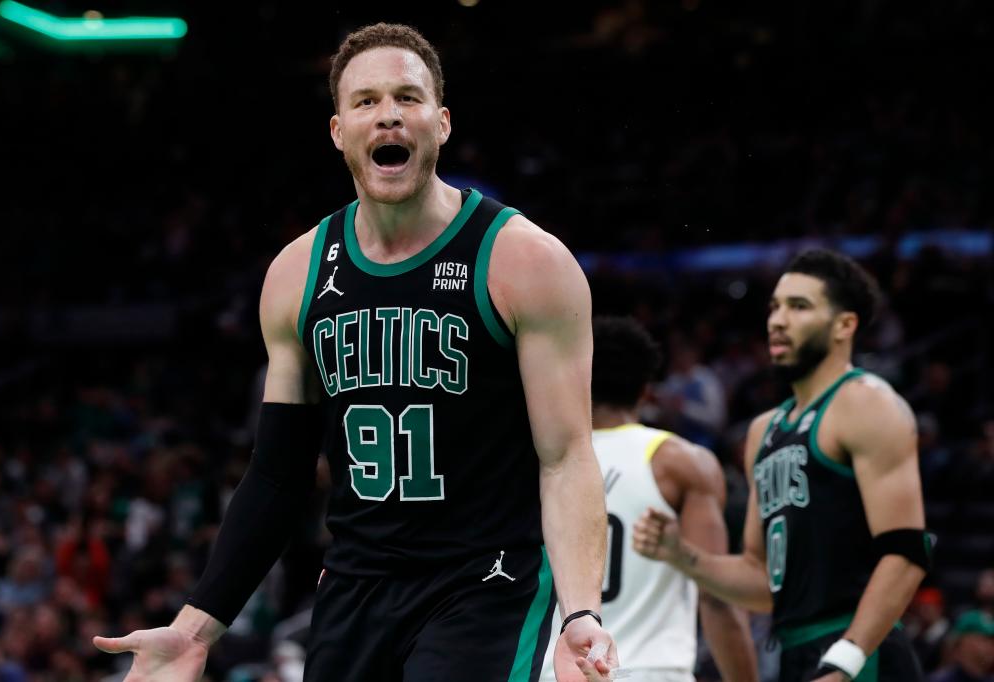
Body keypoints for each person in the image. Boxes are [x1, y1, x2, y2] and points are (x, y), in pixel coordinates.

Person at [93, 22, 616, 682]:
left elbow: (566, 453)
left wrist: (581, 613)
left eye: (407, 97)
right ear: (340, 132)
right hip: (353, 586)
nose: (388, 114)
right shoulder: (297, 273)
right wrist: (195, 629)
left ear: (442, 122)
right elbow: (279, 473)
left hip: (485, 581)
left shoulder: (525, 261)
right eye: (366, 101)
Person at [633, 249, 930, 681]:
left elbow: (906, 553)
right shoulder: (763, 431)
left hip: (861, 651)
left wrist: (847, 660)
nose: (777, 319)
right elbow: (761, 581)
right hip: (797, 654)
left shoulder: (866, 403)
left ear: (845, 325)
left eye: (799, 307)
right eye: (775, 306)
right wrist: (683, 556)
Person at [538, 316, 757, 682]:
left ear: (578, 379)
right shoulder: (679, 463)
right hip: (653, 671)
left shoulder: (541, 462)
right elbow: (716, 597)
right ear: (646, 390)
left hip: (558, 670)